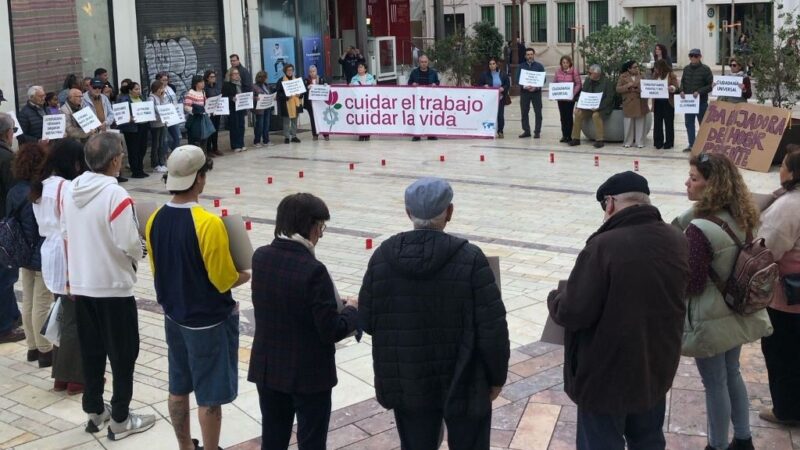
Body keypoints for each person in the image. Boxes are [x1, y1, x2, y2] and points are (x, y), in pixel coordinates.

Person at [358, 177, 509, 449]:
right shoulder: (472, 259)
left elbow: (367, 320)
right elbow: (493, 328)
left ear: (408, 213)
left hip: (409, 379)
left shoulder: (383, 257)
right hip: (466, 380)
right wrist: (497, 377)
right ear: (449, 212)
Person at [548, 171, 689, 449]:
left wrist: (555, 297)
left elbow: (574, 312)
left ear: (610, 203)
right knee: (648, 438)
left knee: (600, 441)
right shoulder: (676, 238)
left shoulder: (604, 246)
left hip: (607, 373)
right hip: (655, 364)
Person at [146, 145, 250, 450]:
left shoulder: (154, 219)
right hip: (208, 321)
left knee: (178, 385)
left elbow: (156, 269)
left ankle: (184, 446)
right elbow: (222, 280)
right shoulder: (208, 223)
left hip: (175, 315)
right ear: (200, 179)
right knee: (210, 395)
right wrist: (243, 275)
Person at [673, 153, 772, 450]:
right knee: (732, 373)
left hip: (710, 318)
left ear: (711, 186)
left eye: (694, 179)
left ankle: (716, 446)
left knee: (714, 383)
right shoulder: (743, 216)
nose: (687, 183)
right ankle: (743, 439)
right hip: (736, 309)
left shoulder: (699, 229)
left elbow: (692, 283)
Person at [61, 132, 155, 440]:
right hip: (113, 286)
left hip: (83, 283)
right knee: (123, 354)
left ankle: (94, 411)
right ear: (115, 160)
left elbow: (64, 235)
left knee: (91, 351)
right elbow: (127, 241)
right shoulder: (115, 195)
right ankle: (120, 418)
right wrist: (140, 250)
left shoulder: (70, 190)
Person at [249, 193, 359, 449]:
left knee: (273, 438)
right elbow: (331, 330)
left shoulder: (261, 257)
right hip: (308, 373)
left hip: (269, 366)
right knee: (311, 440)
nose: (320, 234)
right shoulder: (313, 270)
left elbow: (282, 299)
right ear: (310, 226)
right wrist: (351, 309)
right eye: (321, 227)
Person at [31, 138, 88, 394]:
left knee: (63, 312)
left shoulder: (42, 185)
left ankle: (62, 374)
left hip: (49, 251)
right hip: (65, 251)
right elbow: (70, 226)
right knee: (73, 319)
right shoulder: (65, 187)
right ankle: (75, 377)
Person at [758, 145, 800, 426]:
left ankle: (786, 410)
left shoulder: (789, 206)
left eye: (782, 166)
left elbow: (767, 248)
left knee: (782, 354)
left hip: (789, 298)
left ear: (793, 173)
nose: (779, 171)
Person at [8, 143, 53, 368]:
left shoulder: (14, 191)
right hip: (40, 252)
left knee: (28, 299)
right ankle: (46, 350)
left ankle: (32, 347)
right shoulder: (37, 192)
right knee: (42, 301)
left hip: (22, 252)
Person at [0, 113, 24, 344]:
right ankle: (5, 326)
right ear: (8, 133)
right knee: (5, 276)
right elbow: (14, 194)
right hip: (3, 224)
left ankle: (12, 315)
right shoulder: (7, 158)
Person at [569, 64, 614, 149]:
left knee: (596, 115)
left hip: (602, 107)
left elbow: (609, 98)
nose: (589, 75)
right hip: (588, 106)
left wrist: (599, 107)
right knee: (578, 113)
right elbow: (583, 94)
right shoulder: (588, 80)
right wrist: (579, 105)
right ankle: (576, 138)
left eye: (590, 73)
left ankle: (599, 140)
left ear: (597, 74)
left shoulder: (606, 82)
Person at [680, 48, 713, 152]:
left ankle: (702, 145)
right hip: (689, 103)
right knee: (689, 123)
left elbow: (710, 86)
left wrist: (699, 91)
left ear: (700, 57)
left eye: (695, 56)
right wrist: (681, 91)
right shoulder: (686, 69)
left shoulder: (705, 69)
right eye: (691, 56)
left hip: (701, 102)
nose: (693, 58)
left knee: (703, 124)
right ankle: (692, 145)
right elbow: (682, 82)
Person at [117, 82, 149, 178]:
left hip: (143, 125)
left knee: (142, 148)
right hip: (132, 128)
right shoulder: (124, 99)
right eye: (136, 89)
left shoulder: (142, 98)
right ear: (130, 90)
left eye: (139, 89)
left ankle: (140, 168)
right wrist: (128, 117)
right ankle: (135, 170)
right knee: (133, 149)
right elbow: (121, 114)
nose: (138, 91)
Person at [616, 60, 649, 148]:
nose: (636, 69)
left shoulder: (641, 75)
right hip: (629, 102)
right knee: (628, 122)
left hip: (640, 101)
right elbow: (618, 89)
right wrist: (628, 86)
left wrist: (636, 88)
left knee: (640, 122)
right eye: (634, 67)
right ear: (629, 69)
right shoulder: (623, 76)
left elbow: (647, 87)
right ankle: (628, 141)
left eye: (637, 67)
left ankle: (640, 142)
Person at [408, 54, 440, 141]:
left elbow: (437, 82)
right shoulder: (414, 72)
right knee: (418, 116)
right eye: (422, 62)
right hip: (418, 99)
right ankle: (417, 135)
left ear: (428, 62)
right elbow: (409, 83)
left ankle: (430, 134)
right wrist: (412, 84)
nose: (424, 64)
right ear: (419, 62)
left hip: (430, 99)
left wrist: (435, 84)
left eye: (425, 62)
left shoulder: (433, 73)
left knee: (429, 116)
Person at [477, 57, 510, 139]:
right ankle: (487, 130)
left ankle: (500, 131)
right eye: (490, 64)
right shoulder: (484, 74)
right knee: (488, 115)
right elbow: (479, 85)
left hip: (500, 98)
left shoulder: (502, 74)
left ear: (496, 64)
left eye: (493, 64)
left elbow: (507, 84)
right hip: (489, 99)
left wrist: (503, 88)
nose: (492, 66)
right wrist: (484, 86)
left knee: (500, 115)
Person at [652, 59, 680, 150]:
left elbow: (676, 87)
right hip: (658, 102)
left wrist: (671, 88)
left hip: (668, 102)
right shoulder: (655, 75)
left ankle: (669, 142)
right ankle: (658, 142)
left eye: (656, 68)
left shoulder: (671, 74)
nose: (655, 70)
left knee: (668, 123)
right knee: (657, 122)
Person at [553, 55, 582, 143]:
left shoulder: (574, 72)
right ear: (561, 63)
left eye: (566, 62)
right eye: (563, 62)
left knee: (569, 116)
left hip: (570, 99)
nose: (565, 64)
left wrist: (572, 93)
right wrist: (554, 93)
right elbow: (555, 83)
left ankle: (570, 136)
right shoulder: (558, 72)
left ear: (570, 63)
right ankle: (564, 135)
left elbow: (578, 84)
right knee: (562, 117)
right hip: (561, 98)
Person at [518, 48, 545, 139]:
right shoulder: (521, 66)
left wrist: (536, 87)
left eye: (531, 54)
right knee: (524, 112)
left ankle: (537, 131)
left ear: (534, 55)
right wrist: (525, 86)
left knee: (538, 112)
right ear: (525, 56)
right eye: (528, 54)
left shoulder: (539, 66)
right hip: (525, 93)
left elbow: (543, 79)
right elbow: (518, 79)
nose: (529, 56)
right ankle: (526, 131)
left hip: (536, 93)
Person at [275, 64, 304, 145]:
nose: (290, 71)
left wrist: (300, 94)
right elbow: (279, 94)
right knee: (286, 122)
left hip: (296, 104)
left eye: (291, 70)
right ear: (285, 71)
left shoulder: (297, 80)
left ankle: (294, 136)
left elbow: (302, 91)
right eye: (288, 70)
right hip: (286, 104)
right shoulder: (281, 81)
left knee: (294, 121)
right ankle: (287, 137)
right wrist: (286, 96)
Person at [222, 67, 248, 152]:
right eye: (235, 74)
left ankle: (242, 143)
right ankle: (235, 145)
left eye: (238, 74)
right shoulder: (227, 85)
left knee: (241, 126)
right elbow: (224, 97)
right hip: (232, 109)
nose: (237, 75)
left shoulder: (241, 84)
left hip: (241, 108)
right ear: (230, 75)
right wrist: (231, 98)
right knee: (234, 127)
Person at [350, 63, 376, 142]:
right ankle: (361, 134)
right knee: (359, 117)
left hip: (368, 101)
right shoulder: (354, 78)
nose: (359, 68)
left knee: (367, 117)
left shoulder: (370, 77)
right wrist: (350, 86)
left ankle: (367, 134)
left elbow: (374, 86)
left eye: (361, 67)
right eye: (358, 67)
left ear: (365, 69)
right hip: (358, 102)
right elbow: (351, 90)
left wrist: (374, 84)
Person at [148, 80, 169, 173]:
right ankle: (155, 163)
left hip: (163, 122)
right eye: (160, 88)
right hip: (155, 124)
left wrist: (162, 98)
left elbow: (165, 106)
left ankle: (161, 163)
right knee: (156, 144)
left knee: (161, 144)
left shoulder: (161, 97)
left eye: (162, 88)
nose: (162, 90)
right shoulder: (151, 98)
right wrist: (160, 98)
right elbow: (157, 109)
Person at [157, 72, 182, 151]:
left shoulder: (170, 87)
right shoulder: (156, 90)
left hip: (173, 115)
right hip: (165, 116)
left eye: (166, 80)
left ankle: (176, 154)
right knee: (166, 139)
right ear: (158, 80)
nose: (165, 82)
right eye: (163, 80)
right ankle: (165, 156)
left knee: (178, 137)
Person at [183, 75, 208, 150]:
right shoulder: (191, 93)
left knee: (203, 138)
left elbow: (205, 104)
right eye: (201, 82)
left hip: (202, 118)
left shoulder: (203, 92)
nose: (203, 83)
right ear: (195, 83)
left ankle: (203, 156)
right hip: (194, 119)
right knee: (195, 139)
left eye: (203, 81)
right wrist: (196, 111)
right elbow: (186, 107)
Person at [304, 65, 328, 141]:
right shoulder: (306, 80)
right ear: (309, 72)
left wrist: (325, 85)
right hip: (310, 103)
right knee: (313, 119)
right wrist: (307, 88)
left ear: (316, 71)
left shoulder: (321, 79)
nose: (312, 73)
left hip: (320, 103)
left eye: (314, 71)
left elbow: (326, 88)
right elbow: (303, 91)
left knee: (323, 118)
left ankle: (325, 134)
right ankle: (315, 134)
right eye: (310, 71)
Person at [203, 70, 223, 157]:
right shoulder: (205, 88)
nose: (213, 78)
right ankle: (209, 149)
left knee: (216, 130)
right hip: (209, 113)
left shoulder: (217, 86)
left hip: (217, 112)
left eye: (214, 77)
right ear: (207, 78)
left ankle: (215, 148)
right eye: (211, 77)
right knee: (210, 131)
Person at [253, 71, 274, 147]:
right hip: (259, 109)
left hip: (267, 107)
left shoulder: (266, 86)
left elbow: (269, 93)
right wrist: (256, 98)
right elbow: (251, 97)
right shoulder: (254, 86)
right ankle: (257, 141)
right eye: (265, 77)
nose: (266, 79)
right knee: (260, 125)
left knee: (266, 124)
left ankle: (266, 140)